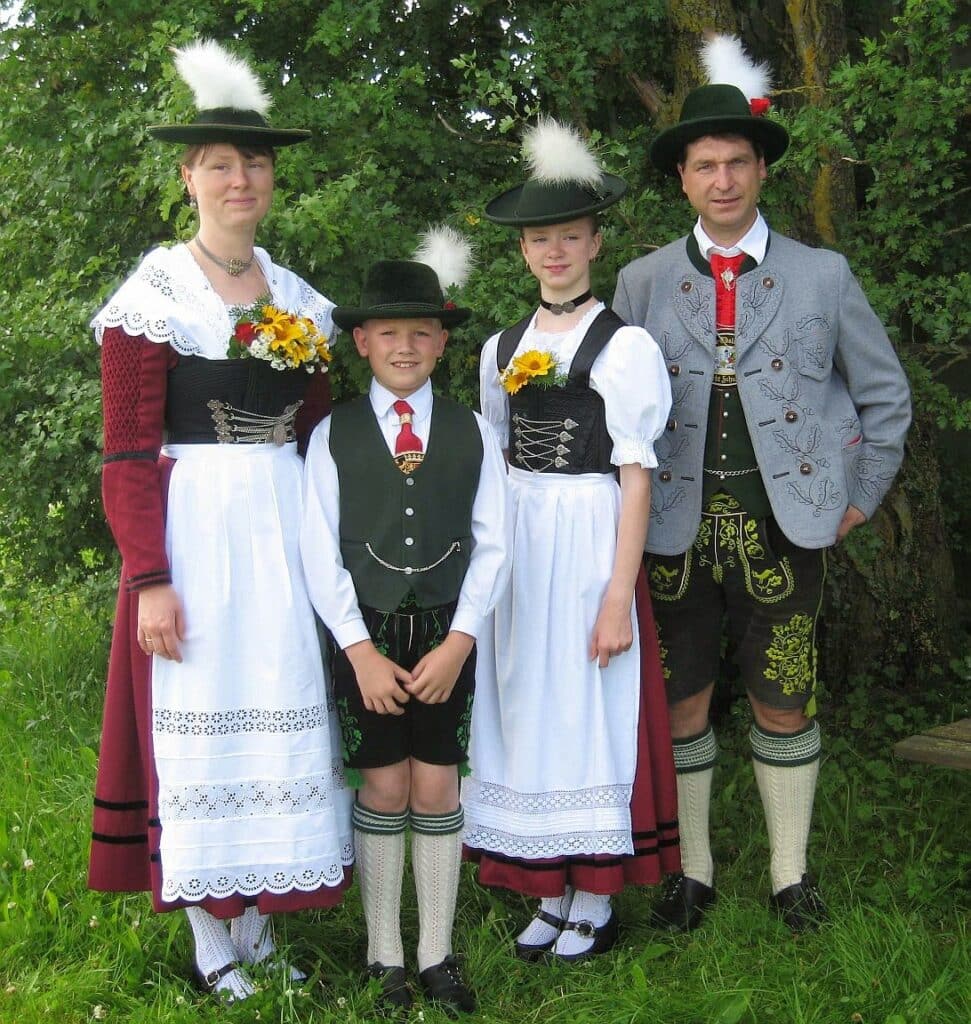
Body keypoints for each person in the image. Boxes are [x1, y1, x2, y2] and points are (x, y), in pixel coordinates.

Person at [612, 35, 912, 932]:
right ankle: (692, 870)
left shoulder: (824, 274)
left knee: (784, 697)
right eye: (704, 166)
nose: (722, 180)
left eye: (736, 162)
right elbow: (611, 409)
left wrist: (858, 495)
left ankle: (789, 874)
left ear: (760, 171)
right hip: (670, 522)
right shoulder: (640, 282)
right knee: (683, 698)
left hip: (790, 524)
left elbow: (884, 393)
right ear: (682, 180)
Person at [88, 40, 353, 1001]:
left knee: (277, 711)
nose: (242, 180)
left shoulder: (301, 303)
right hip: (195, 534)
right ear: (187, 178)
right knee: (202, 726)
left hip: (281, 529)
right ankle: (210, 935)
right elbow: (125, 455)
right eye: (221, 165)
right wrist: (149, 577)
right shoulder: (153, 299)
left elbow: (322, 439)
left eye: (256, 164)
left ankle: (257, 919)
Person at [462, 118, 680, 962]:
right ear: (521, 251)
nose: (554, 252)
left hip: (591, 537)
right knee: (526, 702)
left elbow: (635, 474)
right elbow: (493, 457)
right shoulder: (499, 349)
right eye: (537, 240)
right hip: (522, 539)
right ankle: (545, 885)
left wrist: (617, 595)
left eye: (568, 236)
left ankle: (593, 894)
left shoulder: (624, 347)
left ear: (595, 240)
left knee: (589, 705)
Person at [300, 228, 510, 1015]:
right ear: (360, 342)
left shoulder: (471, 431)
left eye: (422, 330)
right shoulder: (333, 435)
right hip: (369, 640)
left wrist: (463, 640)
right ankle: (384, 949)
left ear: (444, 341)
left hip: (447, 637)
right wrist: (356, 650)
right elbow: (318, 552)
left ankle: (437, 951)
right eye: (389, 331)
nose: (405, 345)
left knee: (436, 783)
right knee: (384, 786)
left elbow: (495, 544)